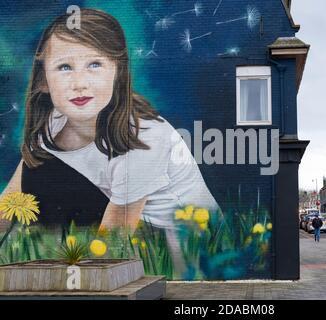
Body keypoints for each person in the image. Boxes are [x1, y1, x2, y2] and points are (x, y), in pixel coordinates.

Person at [2, 9, 221, 276]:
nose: (79, 83)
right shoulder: (55, 121)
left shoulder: (145, 137)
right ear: (43, 81)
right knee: (39, 169)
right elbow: (10, 201)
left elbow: (113, 240)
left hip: (183, 256)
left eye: (95, 64)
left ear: (117, 72)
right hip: (134, 231)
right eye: (64, 67)